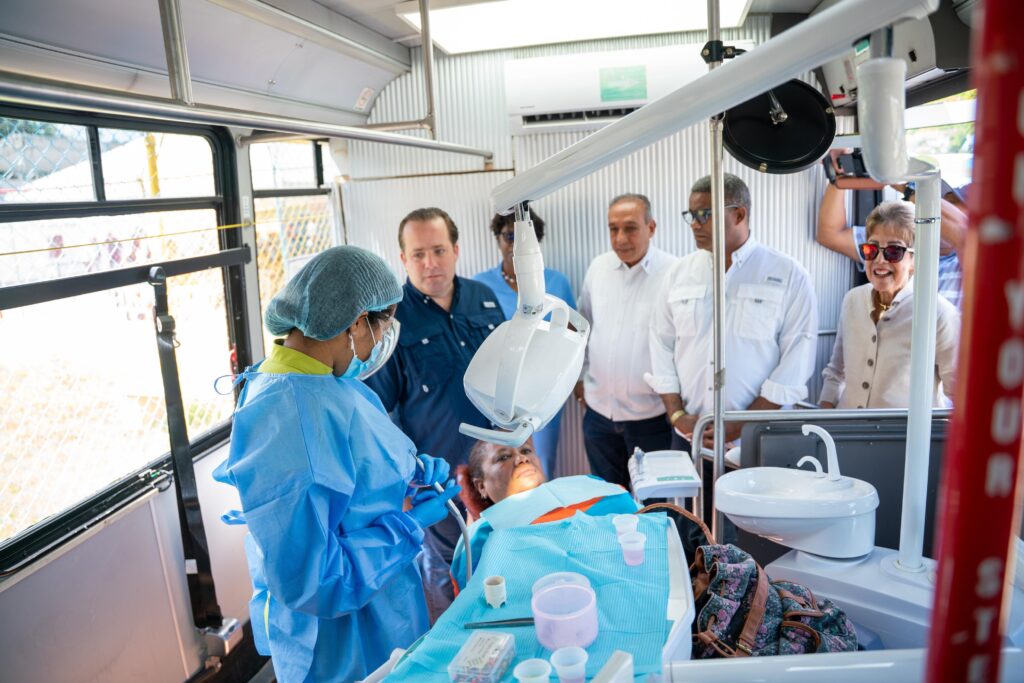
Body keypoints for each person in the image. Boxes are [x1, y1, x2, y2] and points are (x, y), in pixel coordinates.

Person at [212, 246, 460, 682]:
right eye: (382, 326)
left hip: (383, 604)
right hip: (343, 645)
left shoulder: (322, 379)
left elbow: (354, 467)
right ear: (356, 322)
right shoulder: (291, 415)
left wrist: (407, 473)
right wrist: (409, 526)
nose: (381, 342)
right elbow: (316, 581)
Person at [365, 207, 506, 623]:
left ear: (456, 250)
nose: (430, 263)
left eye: (439, 250)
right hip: (438, 481)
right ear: (403, 259)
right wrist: (404, 485)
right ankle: (451, 645)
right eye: (419, 254)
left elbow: (510, 377)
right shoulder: (391, 321)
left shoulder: (484, 298)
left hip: (497, 470)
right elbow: (376, 414)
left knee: (503, 556)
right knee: (449, 573)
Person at [647, 173, 818, 451]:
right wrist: (677, 416)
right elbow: (661, 344)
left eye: (705, 214)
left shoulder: (788, 274)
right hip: (690, 435)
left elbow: (797, 359)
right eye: (691, 215)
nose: (695, 224)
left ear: (739, 214)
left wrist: (742, 424)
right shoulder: (678, 274)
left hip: (759, 438)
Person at [574, 193, 677, 489]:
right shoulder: (598, 268)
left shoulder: (674, 273)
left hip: (652, 417)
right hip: (599, 415)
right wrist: (579, 380)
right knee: (606, 501)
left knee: (655, 503)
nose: (620, 238)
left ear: (651, 227)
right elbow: (583, 326)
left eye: (630, 228)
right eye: (613, 229)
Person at [820, 201, 960, 408]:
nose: (879, 260)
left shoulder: (939, 314)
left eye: (894, 251)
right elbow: (836, 372)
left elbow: (959, 394)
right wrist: (825, 417)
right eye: (871, 249)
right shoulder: (853, 300)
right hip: (846, 427)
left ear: (916, 259)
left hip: (905, 430)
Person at [450, 438, 639, 591]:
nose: (521, 459)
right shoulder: (482, 535)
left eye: (526, 451)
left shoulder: (590, 484)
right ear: (481, 486)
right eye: (503, 457)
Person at [474, 209, 576, 477]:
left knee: (540, 462)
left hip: (543, 392)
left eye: (523, 239)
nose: (515, 246)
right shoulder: (480, 286)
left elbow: (572, 337)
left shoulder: (556, 282)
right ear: (498, 239)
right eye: (509, 236)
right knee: (501, 466)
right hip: (497, 391)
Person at [816, 148, 968, 309]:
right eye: (942, 200)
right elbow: (830, 235)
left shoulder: (972, 269)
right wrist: (840, 175)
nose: (881, 259)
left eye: (951, 206)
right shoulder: (904, 241)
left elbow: (963, 234)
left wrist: (902, 182)